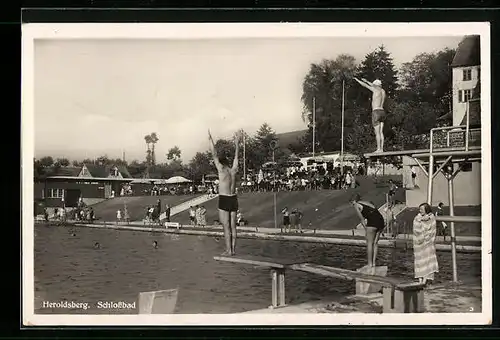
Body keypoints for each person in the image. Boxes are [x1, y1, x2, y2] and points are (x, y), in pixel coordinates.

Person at [208, 129, 240, 256]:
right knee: (233, 226)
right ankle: (233, 249)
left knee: (226, 227)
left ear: (220, 163)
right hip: (233, 198)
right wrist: (237, 144)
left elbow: (214, 154)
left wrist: (210, 140)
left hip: (224, 198)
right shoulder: (233, 170)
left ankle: (228, 251)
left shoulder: (221, 169)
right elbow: (237, 157)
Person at [351, 193, 385, 267]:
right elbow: (375, 212)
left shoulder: (356, 205)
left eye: (351, 203)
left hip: (373, 221)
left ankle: (369, 264)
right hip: (381, 220)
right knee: (375, 243)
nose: (352, 205)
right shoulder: (367, 202)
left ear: (353, 201)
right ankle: (373, 263)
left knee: (369, 243)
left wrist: (366, 230)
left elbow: (362, 220)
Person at [354, 77, 387, 153]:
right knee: (381, 132)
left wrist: (357, 80)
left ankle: (378, 149)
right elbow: (373, 85)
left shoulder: (375, 90)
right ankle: (382, 148)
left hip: (376, 112)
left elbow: (365, 85)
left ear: (375, 85)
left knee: (377, 132)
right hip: (382, 111)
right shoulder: (383, 91)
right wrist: (367, 81)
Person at [413, 203, 439, 284]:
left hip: (428, 243)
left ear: (426, 209)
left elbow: (432, 230)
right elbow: (415, 229)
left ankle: (425, 279)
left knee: (427, 260)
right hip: (419, 243)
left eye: (422, 209)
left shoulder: (431, 218)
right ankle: (420, 279)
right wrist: (421, 235)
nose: (420, 211)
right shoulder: (417, 218)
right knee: (419, 261)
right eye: (419, 209)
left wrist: (427, 237)